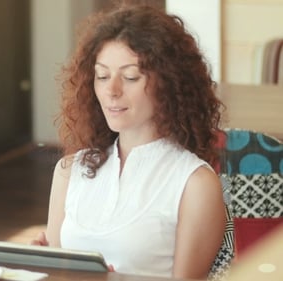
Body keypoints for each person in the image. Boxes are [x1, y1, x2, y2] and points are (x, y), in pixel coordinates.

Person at [31, 2, 226, 280]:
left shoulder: (194, 184)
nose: (112, 90)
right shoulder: (68, 171)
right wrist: (41, 267)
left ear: (168, 82)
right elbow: (58, 274)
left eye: (131, 77)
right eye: (102, 76)